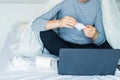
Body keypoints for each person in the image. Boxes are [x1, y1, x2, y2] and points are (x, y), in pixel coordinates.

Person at [32, 0, 112, 56]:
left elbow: (102, 40)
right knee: (44, 33)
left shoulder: (97, 4)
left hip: (86, 46)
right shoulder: (63, 1)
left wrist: (94, 34)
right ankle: (71, 56)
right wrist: (59, 23)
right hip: (64, 46)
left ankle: (74, 57)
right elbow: (36, 24)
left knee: (111, 47)